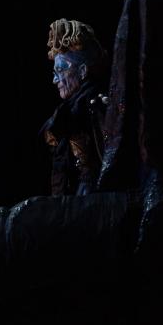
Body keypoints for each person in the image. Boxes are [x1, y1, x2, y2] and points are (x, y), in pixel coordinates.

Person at [41, 19, 109, 196]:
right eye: (54, 72)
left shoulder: (97, 106)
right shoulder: (69, 112)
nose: (55, 80)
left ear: (82, 71)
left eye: (61, 70)